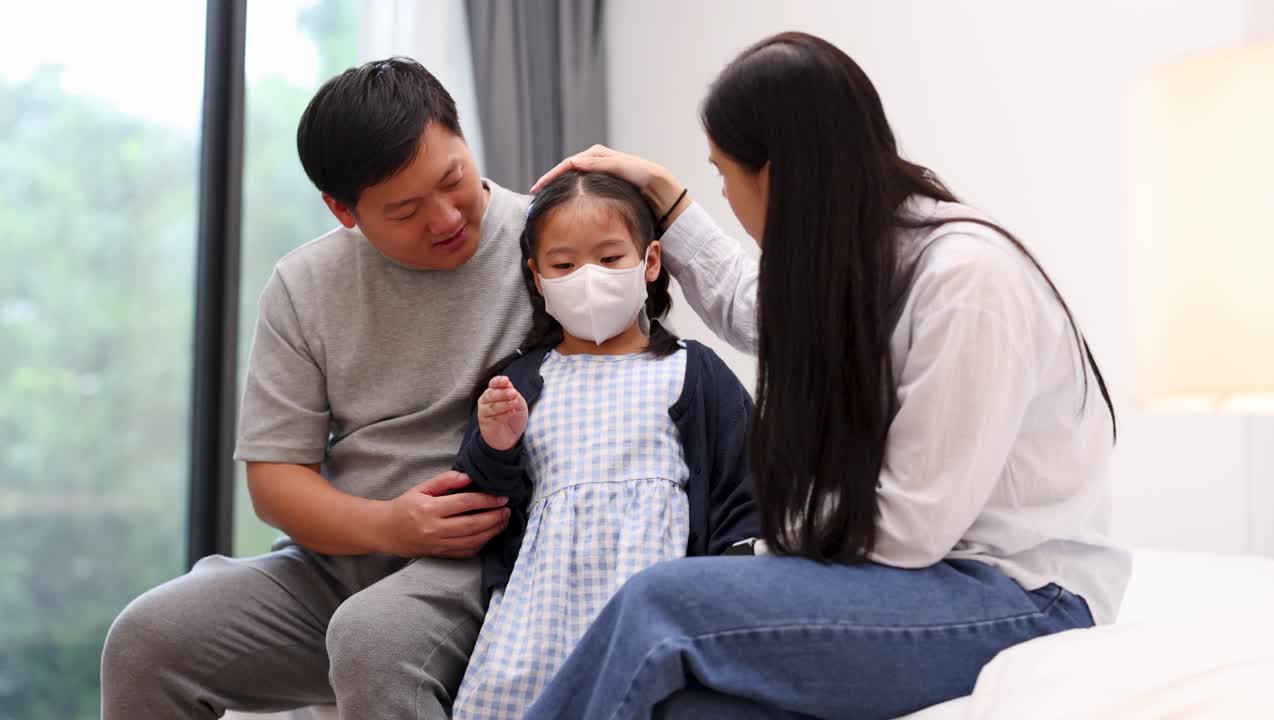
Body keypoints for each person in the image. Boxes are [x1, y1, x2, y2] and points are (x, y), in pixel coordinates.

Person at [522, 31, 1131, 720]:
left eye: (724, 174)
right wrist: (668, 197)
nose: (723, 191)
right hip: (930, 585)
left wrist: (767, 549)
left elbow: (909, 528)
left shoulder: (967, 282)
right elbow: (752, 307)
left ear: (774, 178)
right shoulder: (866, 262)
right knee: (686, 708)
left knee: (659, 601)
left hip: (1022, 600)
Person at [100, 58, 528, 719]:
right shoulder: (305, 285)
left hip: (485, 564)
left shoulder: (552, 247)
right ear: (342, 210)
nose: (445, 217)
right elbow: (275, 479)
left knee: (374, 640)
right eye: (406, 209)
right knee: (146, 639)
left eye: (454, 179)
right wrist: (390, 524)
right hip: (340, 566)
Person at [449, 171, 758, 720]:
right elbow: (480, 502)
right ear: (537, 278)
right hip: (540, 611)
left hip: (658, 599)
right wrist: (496, 445)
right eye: (564, 265)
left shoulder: (693, 371)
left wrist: (731, 579)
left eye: (611, 258)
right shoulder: (521, 380)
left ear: (651, 260)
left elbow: (745, 482)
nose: (587, 278)